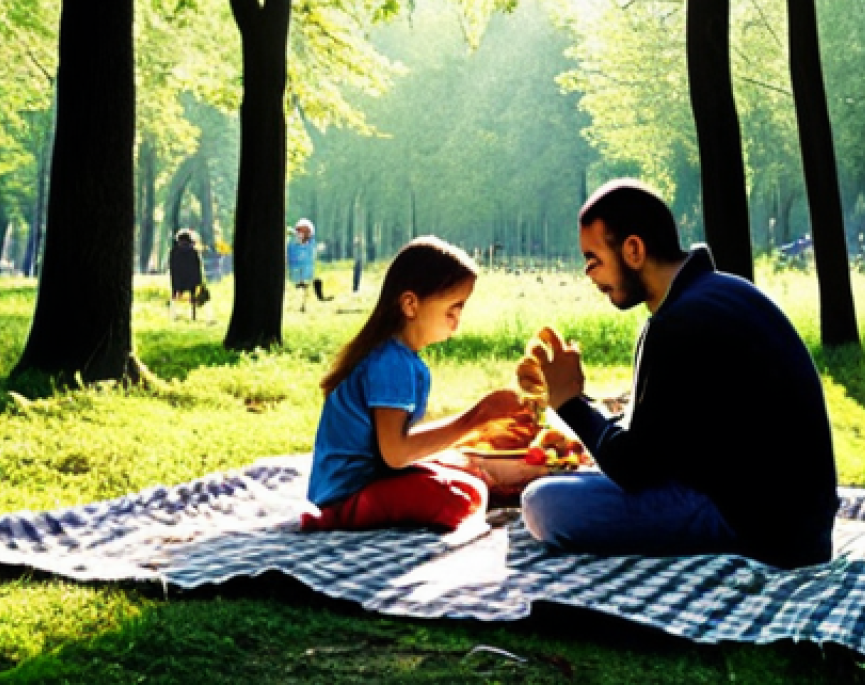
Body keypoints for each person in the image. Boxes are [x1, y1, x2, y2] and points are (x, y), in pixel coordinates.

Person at [521, 179, 838, 570]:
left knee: (544, 504)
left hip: (759, 529)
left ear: (633, 250)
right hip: (798, 524)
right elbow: (677, 436)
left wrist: (569, 402)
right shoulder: (722, 293)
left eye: (593, 259)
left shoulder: (678, 324)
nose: (589, 274)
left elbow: (634, 469)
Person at [302, 235, 534, 533]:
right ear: (411, 305)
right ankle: (336, 518)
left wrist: (478, 427)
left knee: (470, 478)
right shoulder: (391, 363)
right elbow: (396, 454)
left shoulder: (399, 358)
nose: (456, 321)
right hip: (347, 494)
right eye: (452, 309)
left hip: (371, 480)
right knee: (461, 499)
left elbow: (394, 442)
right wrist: (478, 417)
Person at [169, 229, 206, 320]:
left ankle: (173, 315)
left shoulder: (174, 252)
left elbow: (172, 267)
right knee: (193, 297)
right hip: (191, 280)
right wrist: (199, 280)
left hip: (178, 279)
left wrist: (174, 279)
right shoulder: (193, 252)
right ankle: (193, 316)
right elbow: (197, 267)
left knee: (174, 296)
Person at [287, 218, 317, 311]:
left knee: (305, 287)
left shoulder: (310, 244)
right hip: (295, 268)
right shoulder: (293, 244)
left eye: (304, 231)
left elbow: (311, 255)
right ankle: (295, 305)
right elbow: (290, 253)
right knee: (296, 286)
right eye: (300, 230)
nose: (301, 233)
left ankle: (303, 305)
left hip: (305, 268)